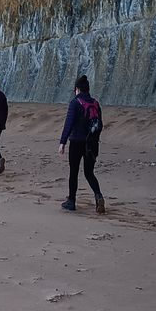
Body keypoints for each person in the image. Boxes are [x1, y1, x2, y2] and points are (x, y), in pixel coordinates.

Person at [57, 75, 105, 213]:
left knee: (74, 172)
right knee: (89, 173)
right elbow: (98, 124)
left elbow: (69, 123)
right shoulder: (95, 103)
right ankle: (98, 195)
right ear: (88, 89)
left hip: (77, 142)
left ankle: (71, 201)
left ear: (77, 89)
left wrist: (62, 142)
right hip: (92, 143)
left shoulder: (75, 103)